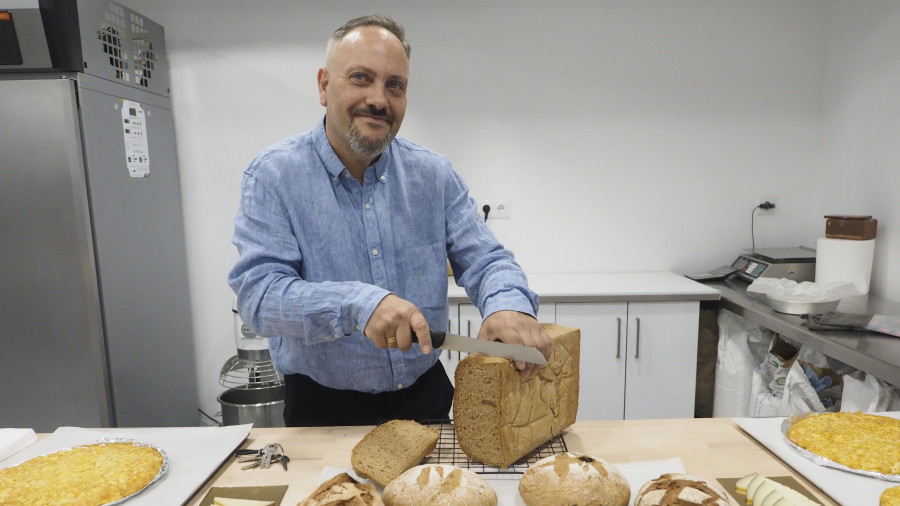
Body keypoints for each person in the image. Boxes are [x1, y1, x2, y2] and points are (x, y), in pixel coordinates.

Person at [228, 14, 551, 427]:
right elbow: (259, 297)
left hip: (427, 399)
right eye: (361, 78)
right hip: (322, 409)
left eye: (394, 85)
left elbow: (487, 260)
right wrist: (357, 303)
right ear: (325, 86)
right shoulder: (273, 176)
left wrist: (509, 307)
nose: (379, 99)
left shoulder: (434, 174)